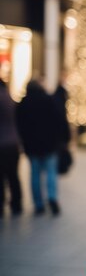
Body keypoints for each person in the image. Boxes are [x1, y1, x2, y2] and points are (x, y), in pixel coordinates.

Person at [16, 79, 67, 216]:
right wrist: (63, 139)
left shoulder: (23, 104)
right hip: (49, 144)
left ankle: (38, 203)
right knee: (50, 172)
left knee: (35, 174)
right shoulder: (49, 100)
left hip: (32, 145)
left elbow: (20, 126)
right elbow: (59, 120)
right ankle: (52, 197)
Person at [0, 79, 22, 217]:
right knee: (13, 175)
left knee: (1, 177)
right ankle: (16, 204)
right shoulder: (9, 98)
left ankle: (1, 204)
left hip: (2, 143)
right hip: (13, 142)